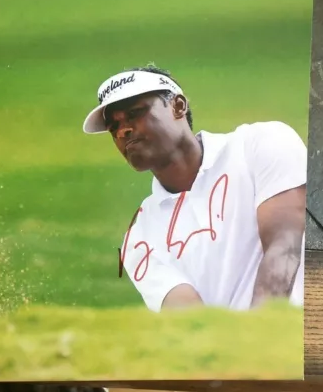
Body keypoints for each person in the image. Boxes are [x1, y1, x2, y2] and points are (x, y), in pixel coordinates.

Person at [82, 64, 305, 312]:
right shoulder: (138, 238)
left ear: (178, 106)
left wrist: (260, 332)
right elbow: (192, 317)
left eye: (135, 113)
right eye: (114, 127)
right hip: (239, 348)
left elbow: (284, 247)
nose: (123, 130)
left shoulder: (261, 144)